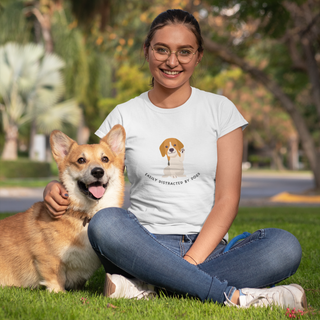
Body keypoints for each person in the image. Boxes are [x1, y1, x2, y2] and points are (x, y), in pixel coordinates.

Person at [43, 9, 306, 309]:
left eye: (184, 52)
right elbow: (90, 168)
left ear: (198, 56)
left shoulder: (221, 110)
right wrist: (52, 188)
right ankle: (237, 297)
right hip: (139, 245)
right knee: (105, 224)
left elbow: (227, 200)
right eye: (161, 50)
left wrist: (190, 261)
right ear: (147, 51)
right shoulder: (124, 114)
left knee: (284, 246)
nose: (172, 61)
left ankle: (150, 285)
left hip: (209, 247)